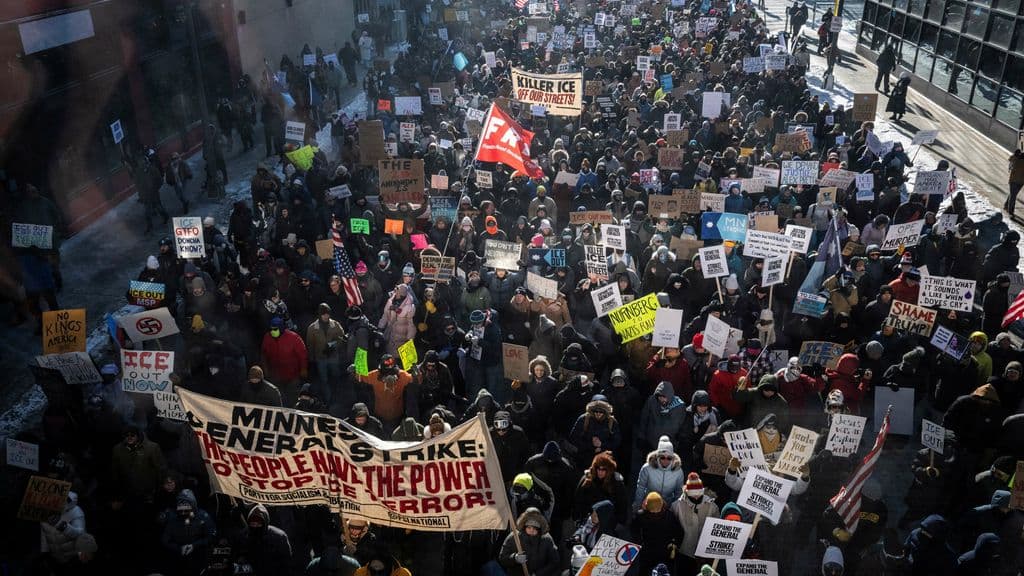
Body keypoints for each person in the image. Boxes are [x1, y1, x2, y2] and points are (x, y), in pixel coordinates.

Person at [1007, 147, 1024, 217]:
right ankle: (1010, 210)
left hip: (1013, 180)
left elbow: (1011, 160)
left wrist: (1015, 154)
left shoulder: (1015, 160)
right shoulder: (1017, 161)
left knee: (1012, 195)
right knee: (1013, 195)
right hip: (1020, 182)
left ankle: (1009, 208)